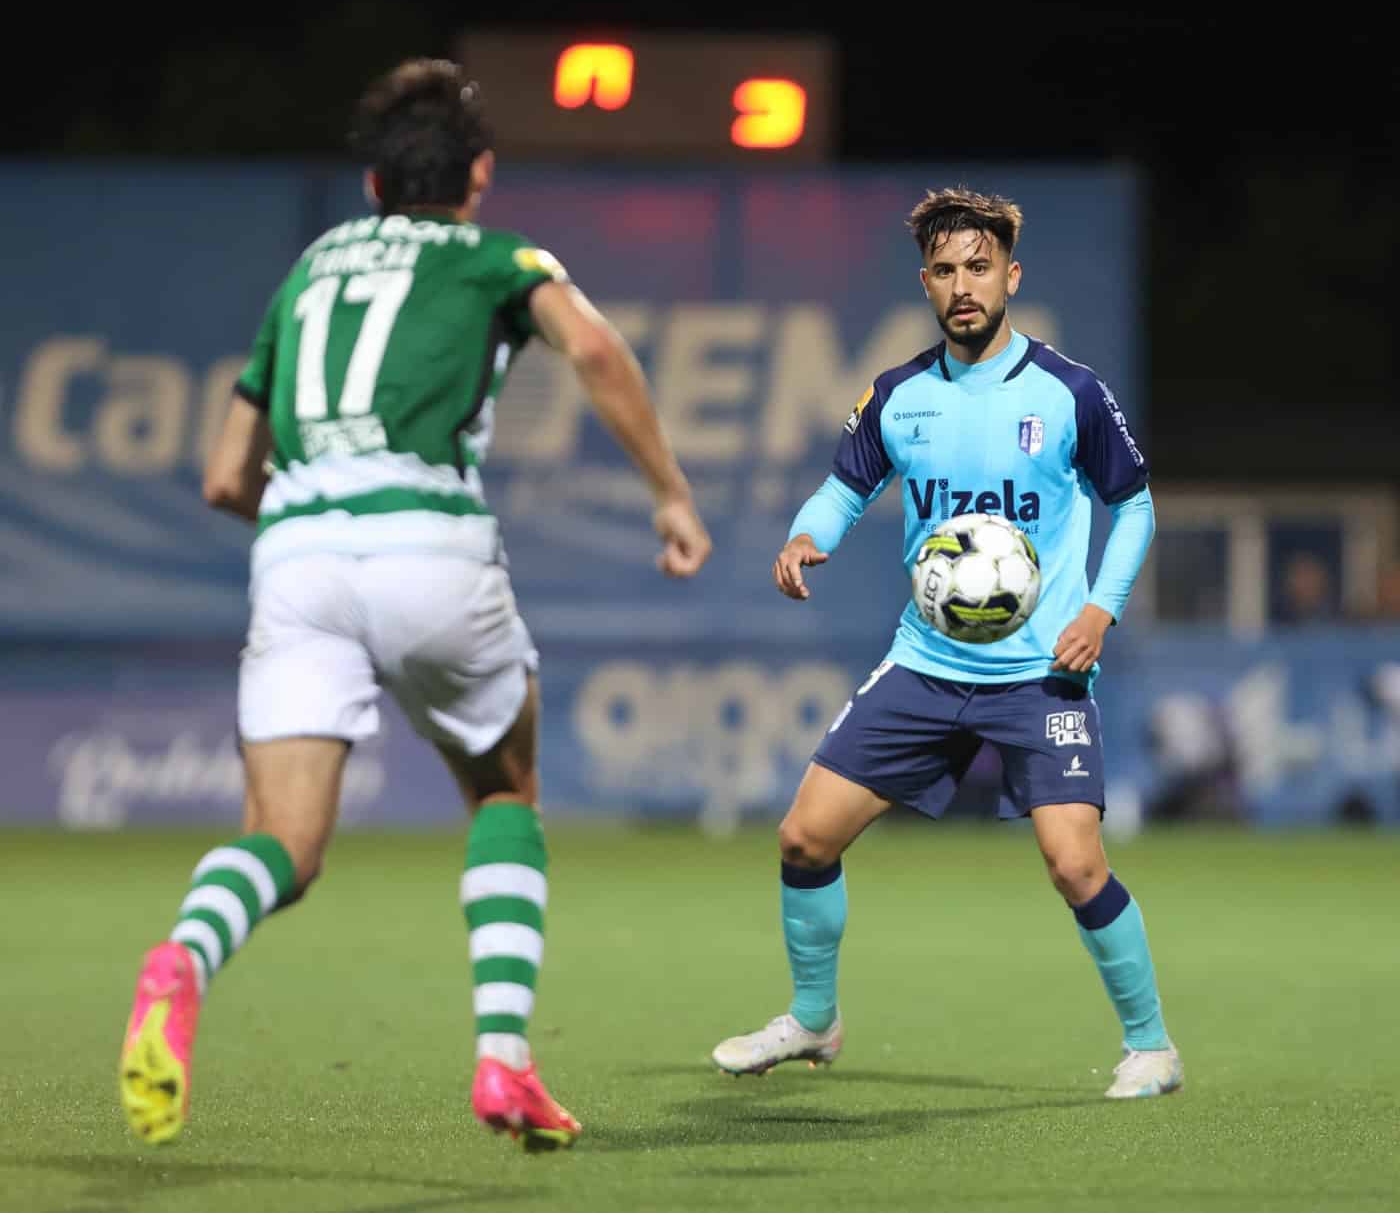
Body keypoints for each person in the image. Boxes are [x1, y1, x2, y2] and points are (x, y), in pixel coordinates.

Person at [118, 58, 712, 1151]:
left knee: (284, 843)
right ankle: (502, 1058)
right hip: (428, 541)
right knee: (506, 787)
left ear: (373, 186)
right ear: (479, 174)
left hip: (295, 551)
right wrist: (669, 494)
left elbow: (220, 477)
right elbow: (589, 343)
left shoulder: (312, 269)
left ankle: (181, 958)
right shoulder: (499, 256)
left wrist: (316, 538)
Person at [710, 187, 1182, 1099]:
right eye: (943, 270)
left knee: (1075, 861)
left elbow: (1135, 504)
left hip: (1042, 672)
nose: (962, 286)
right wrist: (811, 535)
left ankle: (1152, 1047)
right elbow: (843, 489)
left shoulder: (1068, 391)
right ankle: (814, 1020)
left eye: (977, 267)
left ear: (1010, 275)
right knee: (804, 838)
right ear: (925, 283)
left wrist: (1100, 611)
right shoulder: (897, 396)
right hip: (926, 664)